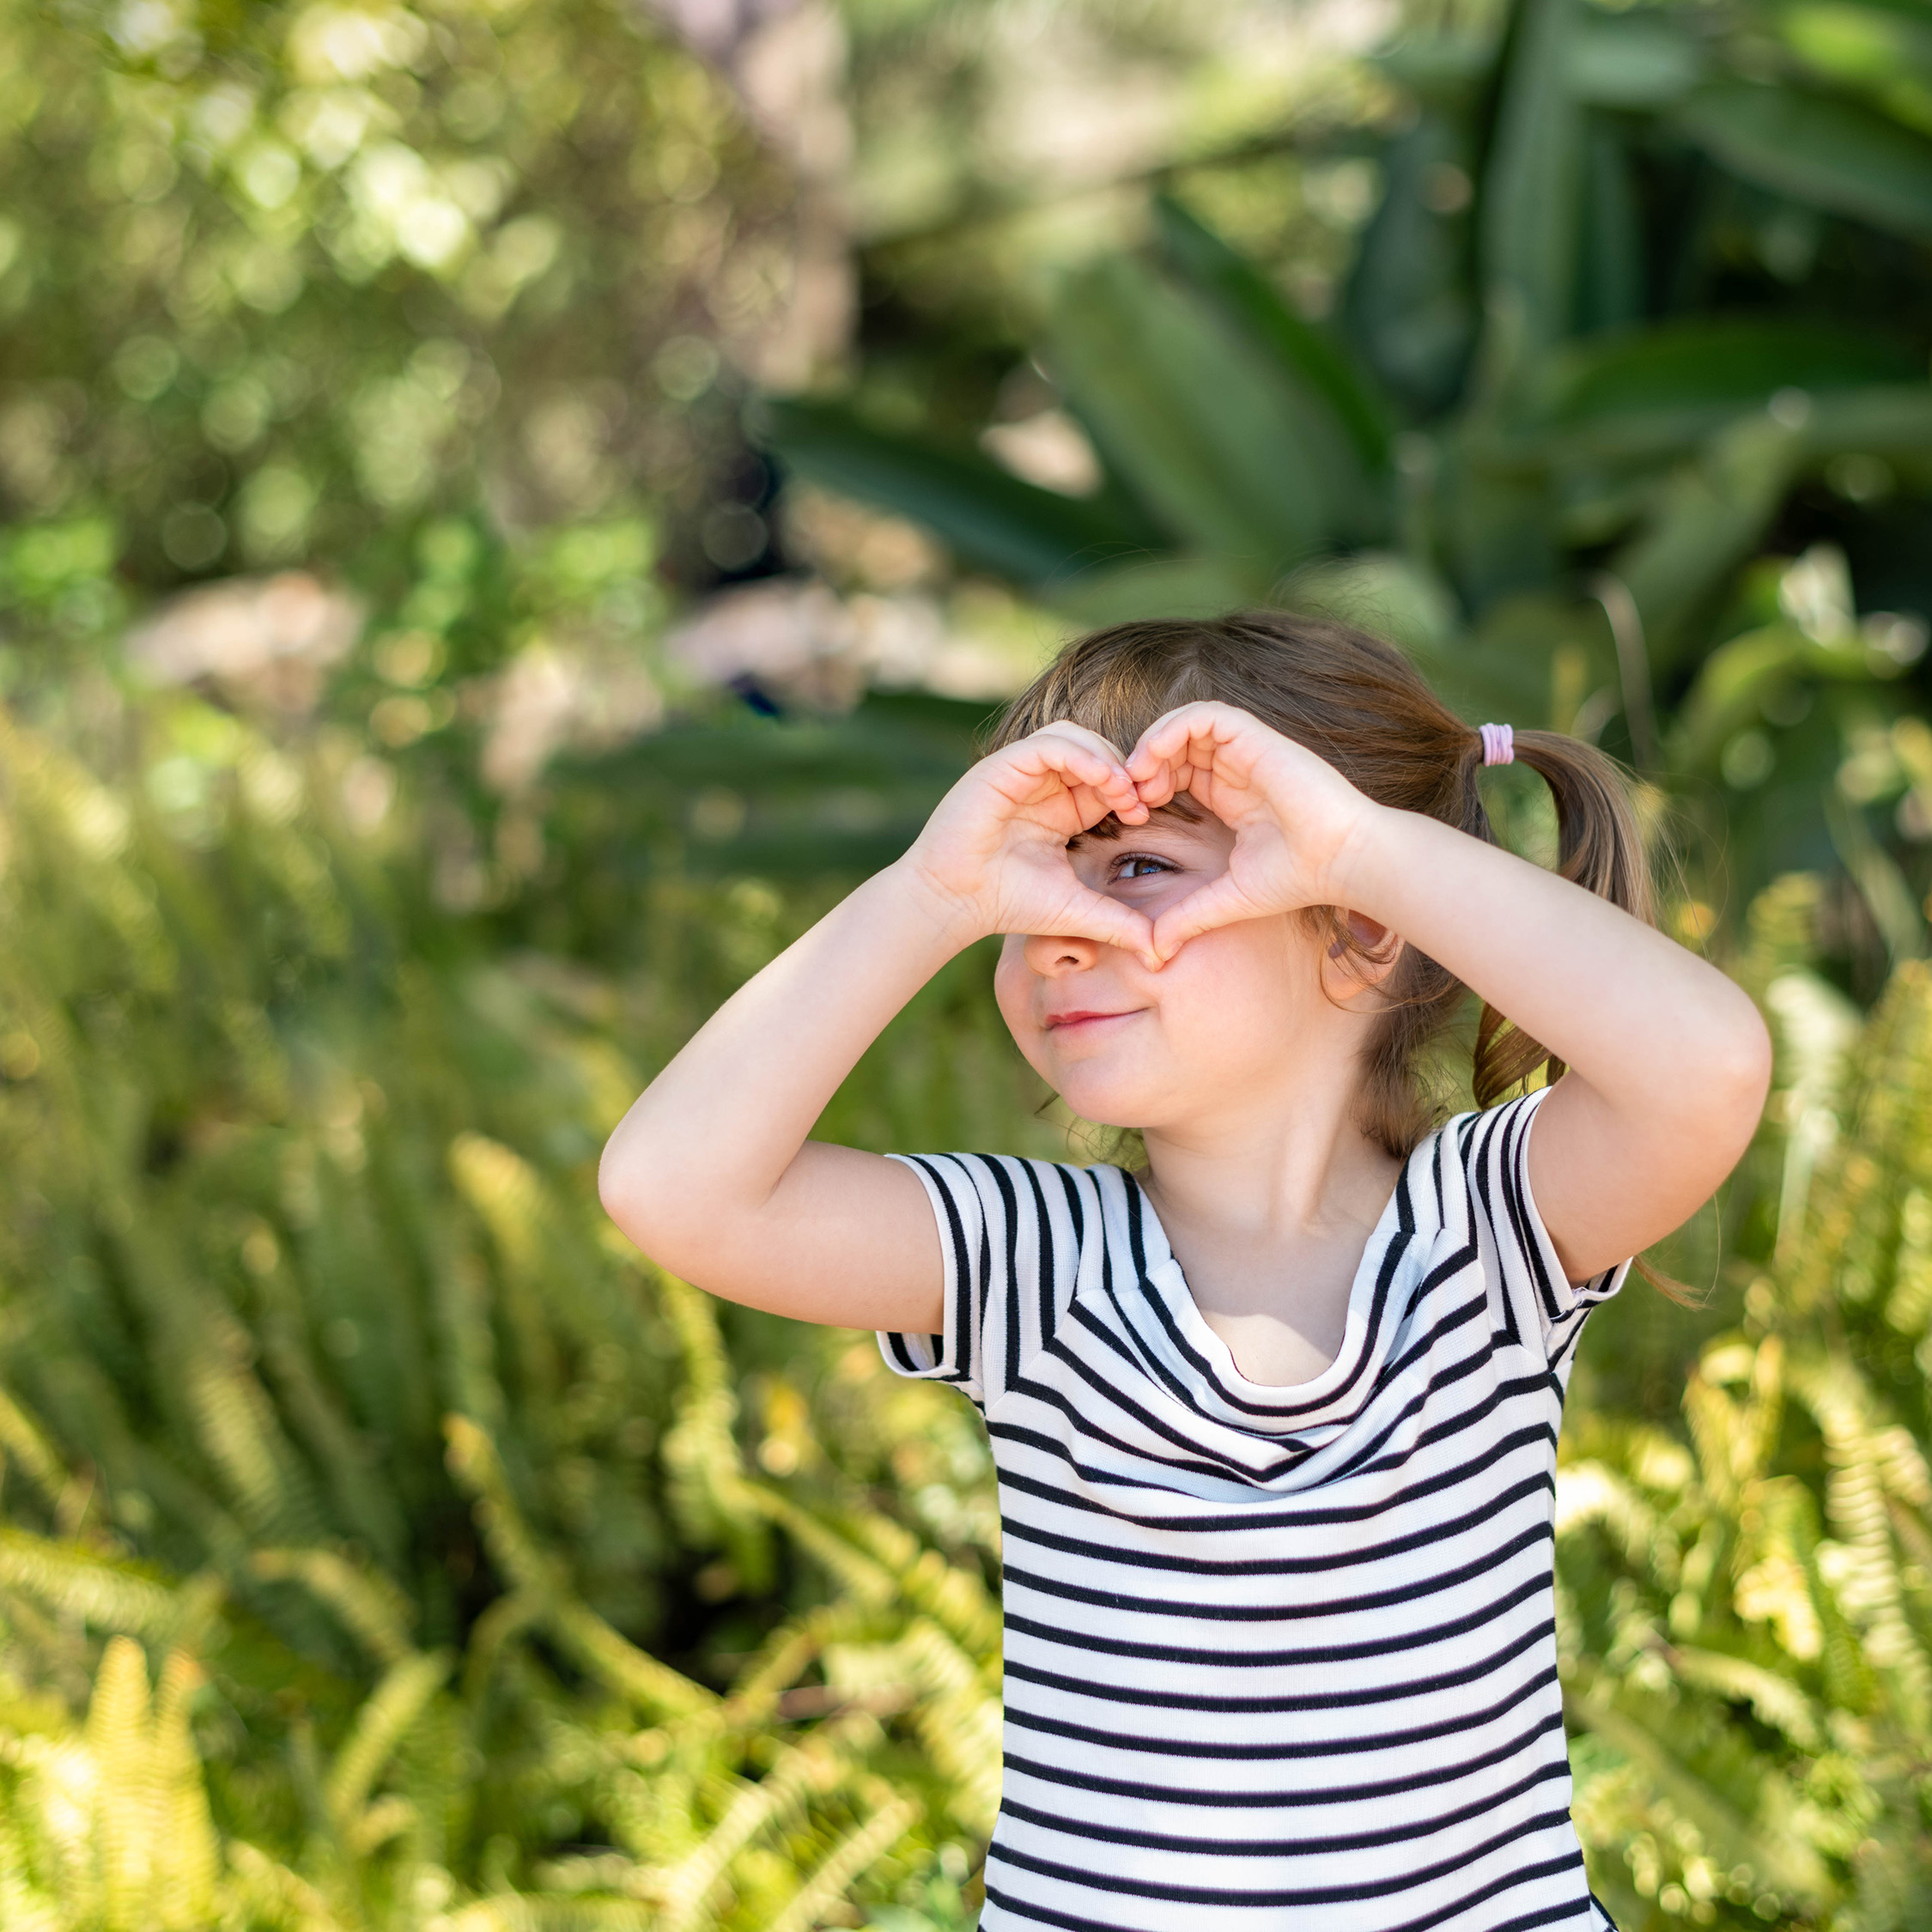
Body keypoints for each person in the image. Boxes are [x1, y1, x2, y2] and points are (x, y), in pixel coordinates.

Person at [598, 611, 1771, 1932]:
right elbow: (671, 1186)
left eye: (1139, 866)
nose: (1055, 933)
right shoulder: (1029, 1263)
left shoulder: (1485, 1233)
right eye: (1034, 887)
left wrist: (1360, 846)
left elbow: (1706, 1066)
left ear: (1360, 928)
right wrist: (929, 894)